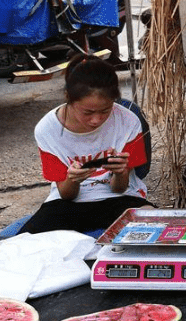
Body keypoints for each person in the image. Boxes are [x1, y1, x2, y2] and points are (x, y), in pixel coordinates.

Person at [19, 54, 151, 234]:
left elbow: (119, 189)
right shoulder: (47, 129)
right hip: (68, 204)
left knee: (154, 223)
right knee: (23, 244)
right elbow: (67, 195)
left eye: (105, 111)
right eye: (87, 112)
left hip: (120, 199)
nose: (96, 120)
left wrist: (120, 172)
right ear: (69, 98)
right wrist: (73, 179)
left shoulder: (128, 120)